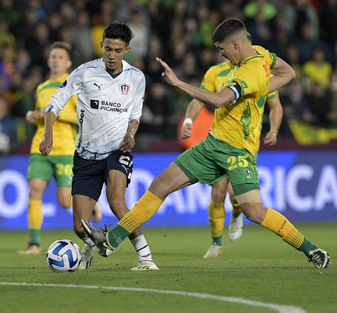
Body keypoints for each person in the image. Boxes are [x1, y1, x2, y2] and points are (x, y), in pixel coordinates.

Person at [82, 18, 330, 269]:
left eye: (222, 49)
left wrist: (179, 84)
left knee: (253, 211)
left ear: (235, 44)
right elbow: (289, 72)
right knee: (160, 184)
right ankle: (112, 238)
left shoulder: (249, 72)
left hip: (237, 153)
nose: (220, 54)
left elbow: (219, 100)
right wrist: (264, 88)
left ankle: (312, 250)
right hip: (212, 145)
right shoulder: (262, 54)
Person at [40, 22, 158, 271]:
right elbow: (54, 104)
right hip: (85, 156)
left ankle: (146, 258)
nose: (111, 55)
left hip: (118, 151)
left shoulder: (136, 77)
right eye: (107, 49)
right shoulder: (84, 72)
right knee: (78, 226)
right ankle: (93, 243)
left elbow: (135, 114)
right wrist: (47, 135)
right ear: (101, 46)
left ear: (126, 50)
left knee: (116, 202)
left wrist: (131, 133)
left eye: (117, 50)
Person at [180, 51, 283, 258]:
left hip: (244, 143)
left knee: (236, 196)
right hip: (220, 141)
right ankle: (216, 243)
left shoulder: (258, 70)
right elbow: (199, 100)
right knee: (218, 193)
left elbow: (275, 106)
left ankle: (237, 212)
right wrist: (189, 120)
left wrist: (274, 130)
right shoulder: (215, 73)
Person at [17, 41, 101, 255]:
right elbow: (41, 115)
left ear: (69, 63)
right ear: (49, 60)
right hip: (41, 147)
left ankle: (92, 204)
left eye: (60, 57)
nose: (55, 60)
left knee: (65, 201)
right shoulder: (42, 88)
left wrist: (57, 112)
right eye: (53, 56)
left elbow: (84, 117)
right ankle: (34, 243)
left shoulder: (75, 86)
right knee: (34, 190)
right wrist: (33, 116)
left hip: (65, 149)